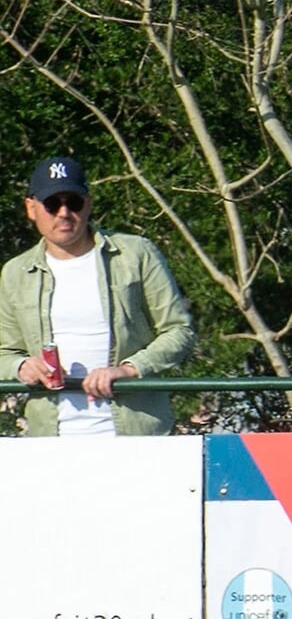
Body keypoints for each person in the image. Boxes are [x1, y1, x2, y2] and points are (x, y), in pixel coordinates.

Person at [0, 156, 195, 436]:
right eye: (52, 203)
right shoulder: (15, 273)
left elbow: (180, 331)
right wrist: (21, 366)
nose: (64, 212)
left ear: (88, 204)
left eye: (74, 202)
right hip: (50, 442)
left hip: (137, 437)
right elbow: (5, 353)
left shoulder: (137, 253)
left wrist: (128, 370)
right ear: (31, 208)